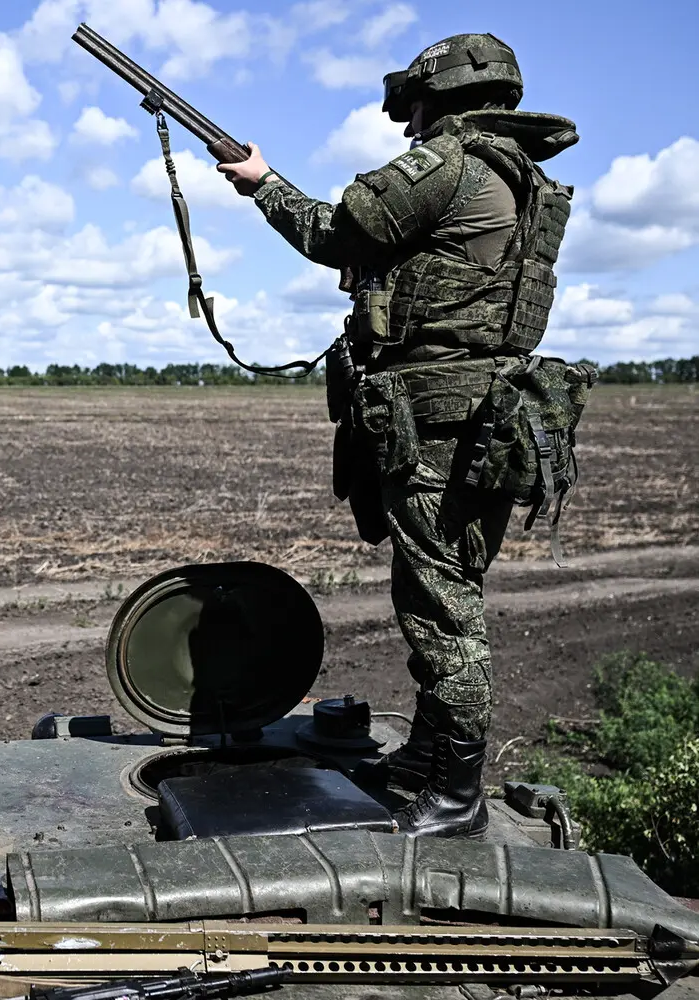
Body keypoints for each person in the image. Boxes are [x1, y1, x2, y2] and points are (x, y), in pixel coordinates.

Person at [218, 35, 584, 838]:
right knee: (443, 588)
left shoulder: (448, 164)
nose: (409, 123)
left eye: (412, 107)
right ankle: (427, 757)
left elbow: (335, 231)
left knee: (443, 608)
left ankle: (456, 795)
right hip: (482, 414)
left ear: (435, 98)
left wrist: (261, 183)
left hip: (440, 422)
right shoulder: (520, 176)